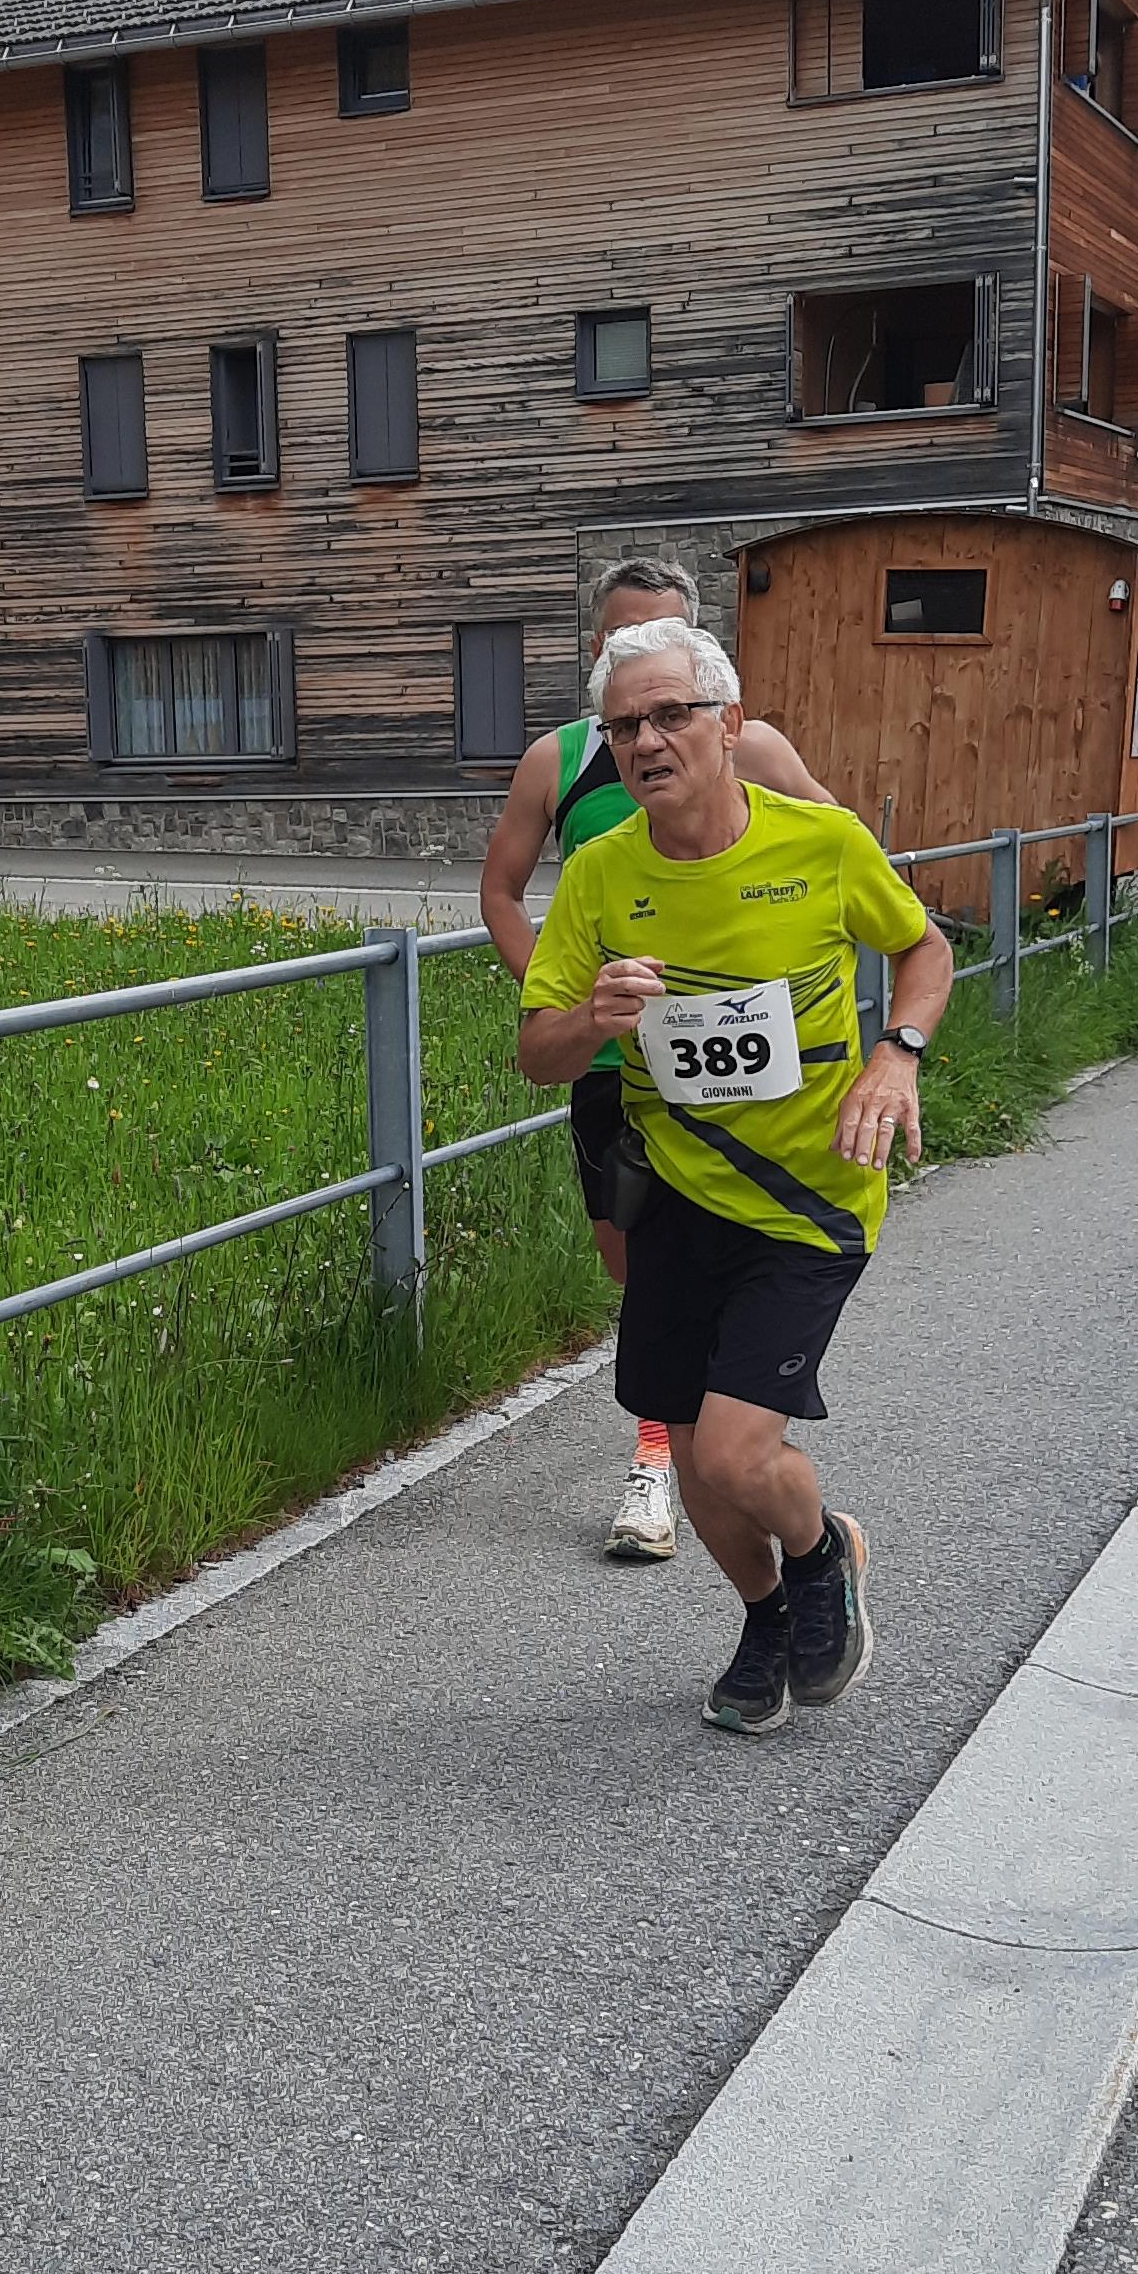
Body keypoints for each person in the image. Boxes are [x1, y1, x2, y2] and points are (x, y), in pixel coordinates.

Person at [518, 615, 952, 1735]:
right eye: (625, 725)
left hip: (814, 1198)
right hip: (676, 1199)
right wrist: (592, 1020)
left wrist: (897, 1056)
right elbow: (536, 1053)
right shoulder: (603, 875)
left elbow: (923, 948)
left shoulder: (820, 842)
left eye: (672, 714)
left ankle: (822, 1556)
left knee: (735, 1447)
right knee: (699, 1464)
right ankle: (765, 1614)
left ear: (731, 724)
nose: (648, 740)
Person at [480, 558, 831, 1561]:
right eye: (624, 643)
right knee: (638, 1263)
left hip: (753, 1077)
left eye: (667, 646)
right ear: (598, 654)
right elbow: (501, 892)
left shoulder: (749, 743)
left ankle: (712, 1443)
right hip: (614, 1065)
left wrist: (871, 1037)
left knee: (743, 1248)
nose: (647, 696)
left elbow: (839, 855)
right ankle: (680, 1442)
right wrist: (570, 998)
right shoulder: (562, 760)